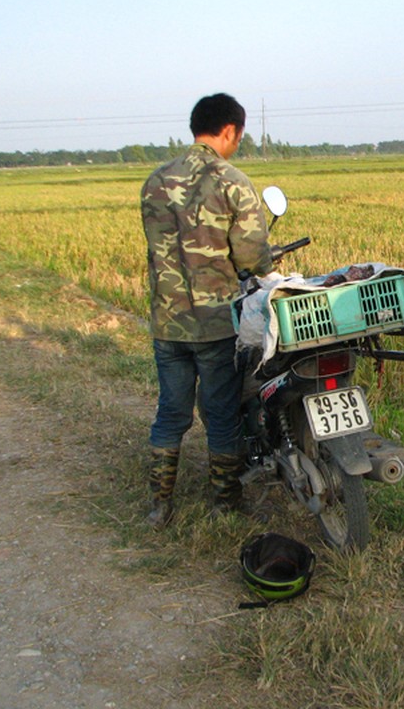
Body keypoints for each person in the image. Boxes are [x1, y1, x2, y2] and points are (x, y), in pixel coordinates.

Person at [140, 93, 273, 528]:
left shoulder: (155, 181)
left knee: (171, 413)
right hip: (216, 325)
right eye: (239, 136)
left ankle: (160, 507)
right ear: (230, 131)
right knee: (219, 414)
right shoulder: (233, 181)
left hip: (167, 323)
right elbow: (252, 257)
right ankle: (226, 504)